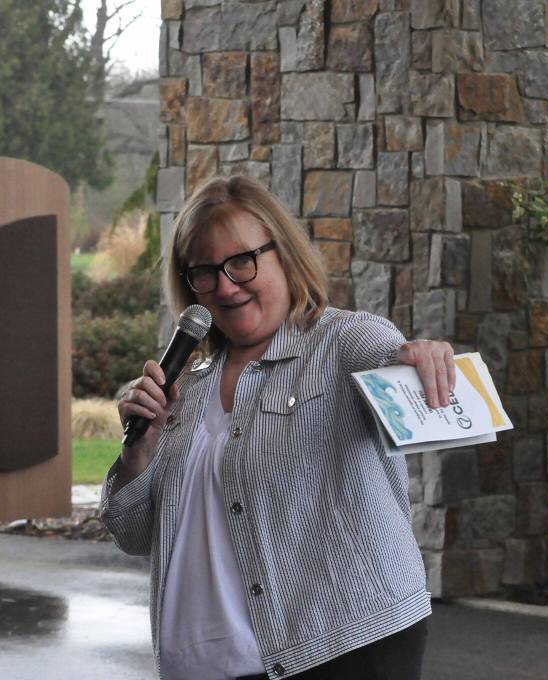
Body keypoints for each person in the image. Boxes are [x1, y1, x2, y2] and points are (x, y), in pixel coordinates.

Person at [101, 175, 456, 680]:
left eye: (242, 261)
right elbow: (134, 536)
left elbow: (394, 361)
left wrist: (421, 357)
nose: (225, 285)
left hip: (341, 651)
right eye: (204, 271)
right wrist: (137, 455)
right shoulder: (184, 389)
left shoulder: (344, 343)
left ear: (284, 255)